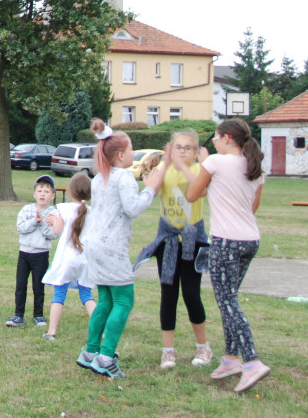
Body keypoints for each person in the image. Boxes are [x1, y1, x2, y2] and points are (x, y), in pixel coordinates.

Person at [176, 119, 269, 393]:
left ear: (227, 138)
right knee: (230, 300)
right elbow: (252, 207)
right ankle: (230, 359)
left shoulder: (215, 162)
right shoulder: (255, 168)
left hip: (226, 241)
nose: (213, 142)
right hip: (250, 240)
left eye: (215, 138)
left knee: (227, 301)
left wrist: (203, 164)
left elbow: (193, 194)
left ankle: (251, 362)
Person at [76, 119, 163, 379]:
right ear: (122, 155)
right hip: (111, 248)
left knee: (105, 299)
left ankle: (90, 353)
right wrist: (151, 189)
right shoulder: (124, 176)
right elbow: (132, 208)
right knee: (124, 300)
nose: (135, 153)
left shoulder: (100, 177)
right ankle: (105, 357)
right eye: (132, 149)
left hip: (93, 244)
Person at [134, 131, 213, 370]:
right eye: (178, 147)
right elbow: (152, 189)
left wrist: (190, 164)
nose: (182, 152)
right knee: (168, 295)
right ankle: (167, 351)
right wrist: (158, 168)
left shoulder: (200, 170)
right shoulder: (165, 170)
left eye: (188, 148)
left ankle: (203, 346)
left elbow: (200, 190)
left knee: (191, 294)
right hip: (168, 241)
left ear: (196, 151)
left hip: (193, 241)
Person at [41, 172, 96, 341]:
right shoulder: (93, 212)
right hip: (85, 260)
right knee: (87, 295)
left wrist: (52, 222)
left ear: (71, 192)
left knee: (59, 294)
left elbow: (57, 231)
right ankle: (100, 331)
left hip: (67, 259)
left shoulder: (64, 209)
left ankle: (51, 331)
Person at [6, 175, 57, 327]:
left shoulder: (53, 213)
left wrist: (42, 224)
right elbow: (21, 228)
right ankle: (18, 314)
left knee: (38, 286)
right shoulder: (26, 210)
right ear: (34, 194)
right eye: (40, 190)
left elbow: (53, 234)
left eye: (47, 191)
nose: (43, 194)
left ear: (53, 195)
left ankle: (38, 314)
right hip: (24, 253)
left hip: (41, 254)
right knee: (20, 285)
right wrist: (34, 221)